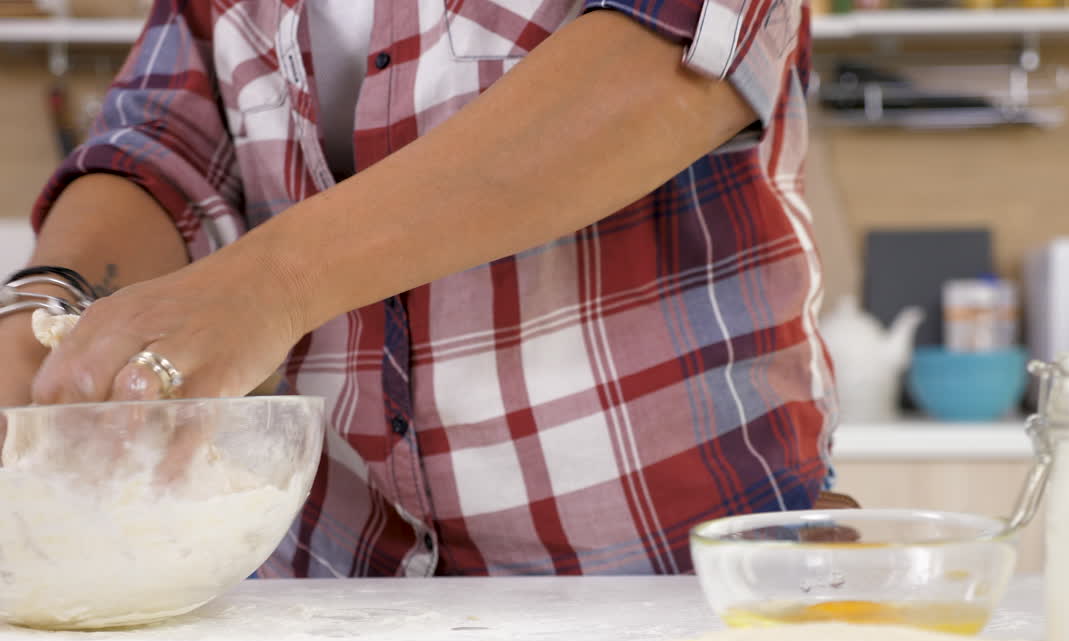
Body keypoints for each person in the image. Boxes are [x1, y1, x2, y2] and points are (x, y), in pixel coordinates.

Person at [0, 0, 835, 576]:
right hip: (323, 580)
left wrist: (274, 281)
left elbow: (680, 56)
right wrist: (46, 304)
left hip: (666, 573)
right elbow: (163, 141)